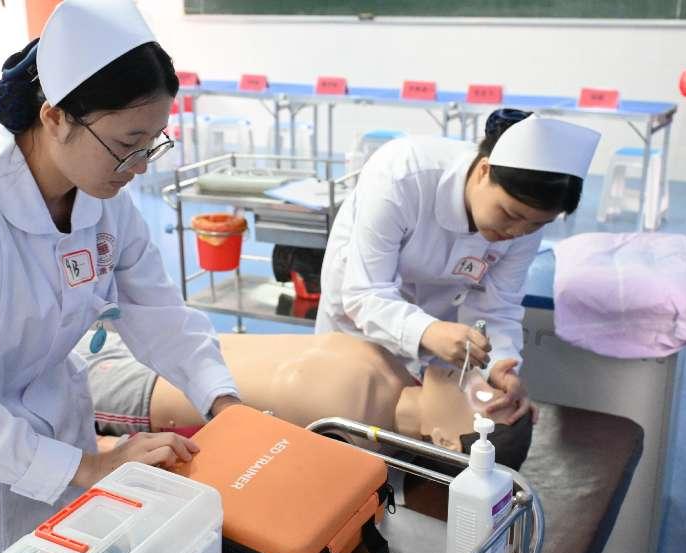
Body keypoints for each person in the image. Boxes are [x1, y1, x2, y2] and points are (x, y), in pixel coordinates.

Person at [0, 1, 240, 553]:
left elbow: (159, 314)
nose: (140, 164)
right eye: (127, 142)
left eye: (153, 142)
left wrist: (224, 402)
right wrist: (87, 467)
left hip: (60, 463)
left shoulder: (105, 202)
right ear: (56, 118)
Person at [316, 110, 600, 425]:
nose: (517, 232)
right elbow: (366, 292)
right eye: (510, 214)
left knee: (426, 422)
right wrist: (425, 330)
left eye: (536, 225)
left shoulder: (525, 223)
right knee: (349, 413)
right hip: (361, 321)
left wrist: (501, 367)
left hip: (443, 331)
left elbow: (497, 307)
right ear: (483, 171)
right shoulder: (402, 175)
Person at [77, 330, 532, 470]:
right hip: (160, 340)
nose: (475, 378)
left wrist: (105, 451)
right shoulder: (400, 370)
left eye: (481, 398)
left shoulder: (351, 444)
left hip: (138, 388)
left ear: (444, 440)